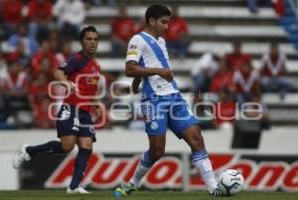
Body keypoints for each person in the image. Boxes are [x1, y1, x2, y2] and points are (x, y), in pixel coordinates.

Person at [113, 4, 225, 197]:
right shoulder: (137, 40)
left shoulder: (162, 42)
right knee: (157, 150)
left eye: (168, 22)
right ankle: (132, 183)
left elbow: (142, 66)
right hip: (153, 99)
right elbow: (130, 68)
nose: (167, 27)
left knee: (196, 138)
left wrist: (139, 80)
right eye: (163, 22)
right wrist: (154, 73)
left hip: (174, 95)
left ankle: (213, 188)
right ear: (151, 21)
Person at [13, 26, 101, 194]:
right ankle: (28, 150)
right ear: (81, 42)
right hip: (71, 107)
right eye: (89, 39)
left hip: (84, 111)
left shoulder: (96, 66)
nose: (92, 42)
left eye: (95, 40)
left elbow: (91, 90)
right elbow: (58, 72)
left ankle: (74, 187)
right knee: (67, 146)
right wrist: (67, 83)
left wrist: (96, 105)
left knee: (87, 145)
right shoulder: (76, 58)